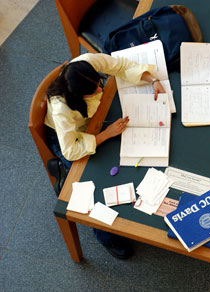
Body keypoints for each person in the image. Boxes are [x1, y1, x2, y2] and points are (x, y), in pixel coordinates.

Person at [44, 53, 165, 259]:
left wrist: (153, 80)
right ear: (78, 95)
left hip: (94, 119)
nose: (100, 88)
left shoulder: (86, 62)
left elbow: (121, 65)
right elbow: (71, 151)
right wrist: (105, 135)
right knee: (93, 184)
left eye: (100, 82)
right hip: (69, 138)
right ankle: (104, 235)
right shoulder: (60, 108)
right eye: (94, 90)